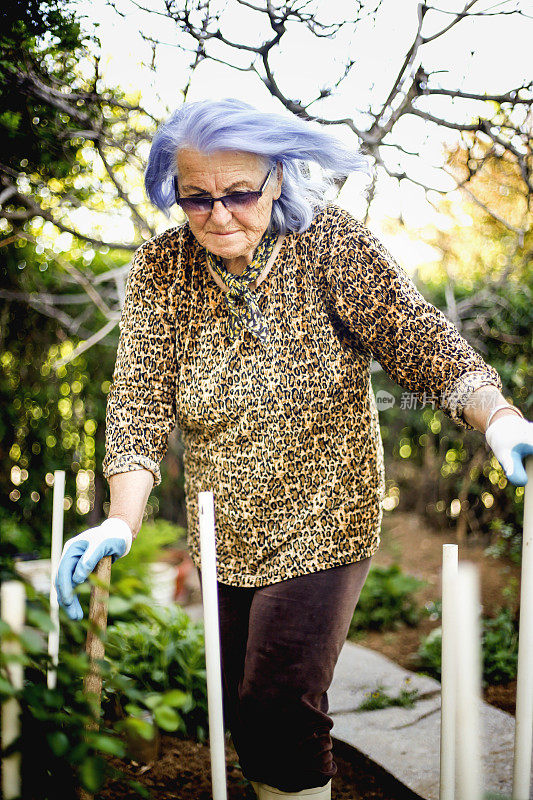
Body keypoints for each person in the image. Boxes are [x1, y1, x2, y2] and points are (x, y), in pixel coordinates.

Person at [55, 98, 533, 800]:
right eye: (196, 198)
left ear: (277, 178)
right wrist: (121, 520)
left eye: (239, 193)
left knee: (279, 707)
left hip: (324, 516)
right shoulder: (161, 268)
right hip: (224, 528)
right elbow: (138, 402)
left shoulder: (330, 243)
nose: (219, 215)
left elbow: (418, 341)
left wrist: (497, 417)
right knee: (237, 708)